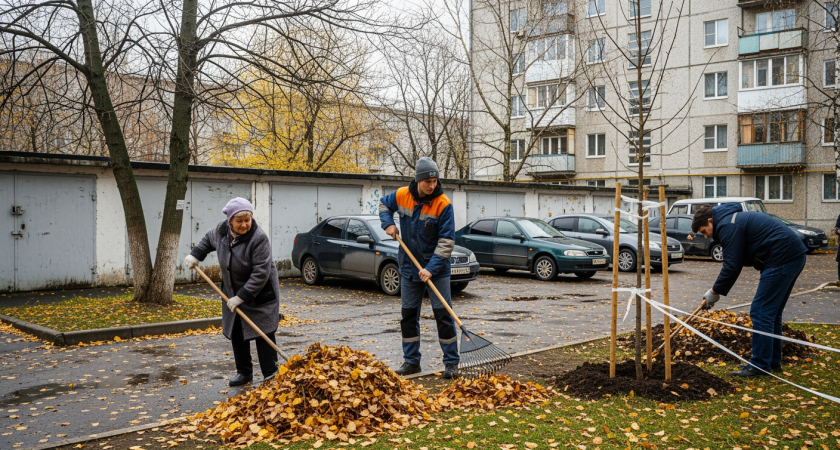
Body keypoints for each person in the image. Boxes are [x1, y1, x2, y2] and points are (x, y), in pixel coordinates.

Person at [692, 203, 807, 378]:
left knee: (761, 311)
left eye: (704, 231)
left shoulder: (726, 225)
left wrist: (714, 293)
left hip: (782, 257)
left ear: (710, 220)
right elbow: (741, 255)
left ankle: (759, 366)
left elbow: (732, 266)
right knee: (771, 313)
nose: (706, 236)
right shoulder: (732, 220)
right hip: (792, 255)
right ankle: (771, 362)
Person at [184, 197, 280, 387]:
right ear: (230, 222)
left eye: (247, 220)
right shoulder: (221, 231)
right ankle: (244, 372)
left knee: (264, 331)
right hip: (232, 289)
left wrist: (242, 297)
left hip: (260, 292)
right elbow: (207, 240)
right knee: (237, 330)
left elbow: (261, 272)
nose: (244, 224)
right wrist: (196, 255)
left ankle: (271, 373)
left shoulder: (258, 238)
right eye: (239, 221)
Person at [379, 157, 459, 378]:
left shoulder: (443, 204)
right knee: (408, 315)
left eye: (435, 180)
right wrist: (388, 223)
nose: (432, 185)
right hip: (409, 267)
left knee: (443, 315)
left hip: (437, 270)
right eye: (428, 181)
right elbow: (383, 204)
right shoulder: (402, 195)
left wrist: (431, 268)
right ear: (418, 180)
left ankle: (451, 363)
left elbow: (446, 242)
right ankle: (411, 362)